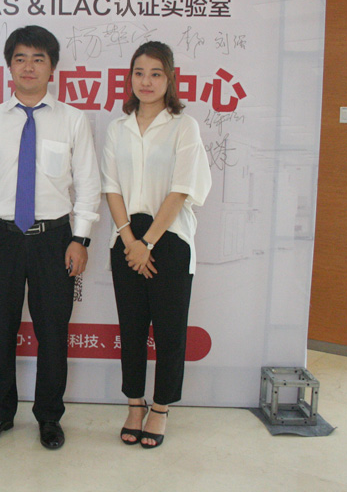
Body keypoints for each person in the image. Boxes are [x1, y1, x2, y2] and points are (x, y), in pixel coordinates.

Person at [0, 25, 101, 450]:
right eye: (20, 58)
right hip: (0, 238)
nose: (28, 66)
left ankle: (49, 416)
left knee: (53, 333)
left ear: (52, 68)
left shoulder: (73, 120)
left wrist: (81, 239)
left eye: (38, 59)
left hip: (54, 239)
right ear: (9, 66)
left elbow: (89, 185)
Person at [101, 41, 211, 449]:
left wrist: (147, 242)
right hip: (126, 239)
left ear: (170, 79)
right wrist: (130, 241)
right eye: (139, 73)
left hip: (169, 239)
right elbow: (111, 188)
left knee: (169, 332)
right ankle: (135, 404)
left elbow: (181, 189)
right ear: (130, 78)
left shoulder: (184, 126)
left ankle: (161, 408)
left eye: (156, 73)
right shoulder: (117, 128)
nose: (146, 81)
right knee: (131, 329)